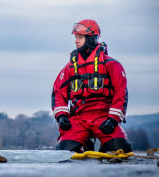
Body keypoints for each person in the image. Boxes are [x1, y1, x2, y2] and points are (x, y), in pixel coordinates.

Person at [51, 19, 132, 153]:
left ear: (91, 38)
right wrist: (61, 116)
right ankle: (85, 142)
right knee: (63, 152)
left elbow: (121, 93)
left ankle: (105, 145)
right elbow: (58, 91)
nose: (76, 41)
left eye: (80, 37)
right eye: (76, 37)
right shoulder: (70, 67)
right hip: (79, 118)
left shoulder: (111, 64)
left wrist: (113, 120)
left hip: (104, 117)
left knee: (121, 149)